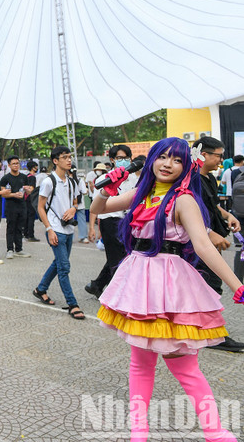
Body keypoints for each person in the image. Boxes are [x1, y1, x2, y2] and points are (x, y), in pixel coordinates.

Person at [91, 137, 244, 442]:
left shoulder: (184, 200)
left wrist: (237, 285)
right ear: (152, 160)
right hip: (139, 282)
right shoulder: (142, 193)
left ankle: (215, 431)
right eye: (163, 157)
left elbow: (203, 246)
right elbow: (100, 208)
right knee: (140, 364)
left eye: (177, 160)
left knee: (185, 367)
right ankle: (139, 433)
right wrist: (106, 187)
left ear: (186, 166)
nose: (167, 164)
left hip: (170, 285)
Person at [192, 136, 244, 353]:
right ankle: (213, 334)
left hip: (211, 240)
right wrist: (208, 233)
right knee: (209, 285)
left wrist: (228, 215)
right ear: (204, 155)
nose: (221, 160)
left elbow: (213, 206)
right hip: (198, 243)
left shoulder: (210, 179)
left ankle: (206, 330)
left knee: (209, 286)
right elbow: (189, 212)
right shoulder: (190, 180)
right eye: (218, 156)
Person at [33, 146, 85, 320]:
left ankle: (40, 289)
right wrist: (49, 229)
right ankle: (72, 304)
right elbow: (40, 207)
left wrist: (73, 208)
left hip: (68, 229)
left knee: (59, 263)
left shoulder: (71, 182)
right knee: (64, 267)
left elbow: (76, 202)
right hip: (55, 229)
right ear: (55, 161)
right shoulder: (49, 182)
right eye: (65, 157)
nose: (69, 160)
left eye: (70, 157)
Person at [85, 145, 139, 298]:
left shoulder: (135, 179)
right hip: (109, 221)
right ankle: (117, 295)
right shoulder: (104, 180)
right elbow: (95, 207)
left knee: (126, 257)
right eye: (119, 158)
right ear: (112, 160)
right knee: (116, 259)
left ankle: (97, 285)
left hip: (128, 221)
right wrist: (92, 227)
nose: (123, 161)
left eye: (126, 158)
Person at [0, 156, 32, 259]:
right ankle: (10, 249)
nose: (16, 165)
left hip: (22, 206)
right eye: (13, 163)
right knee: (11, 228)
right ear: (9, 165)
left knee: (20, 228)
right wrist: (14, 195)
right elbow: (3, 194)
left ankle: (19, 249)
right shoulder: (5, 178)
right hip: (11, 206)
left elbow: (29, 191)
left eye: (17, 163)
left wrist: (28, 190)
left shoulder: (24, 177)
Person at [24, 161, 39, 242]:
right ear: (33, 168)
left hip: (25, 199)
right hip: (31, 199)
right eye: (36, 167)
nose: (37, 168)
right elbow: (32, 189)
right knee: (31, 217)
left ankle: (25, 233)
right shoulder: (32, 177)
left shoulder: (27, 176)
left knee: (27, 216)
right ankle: (31, 235)